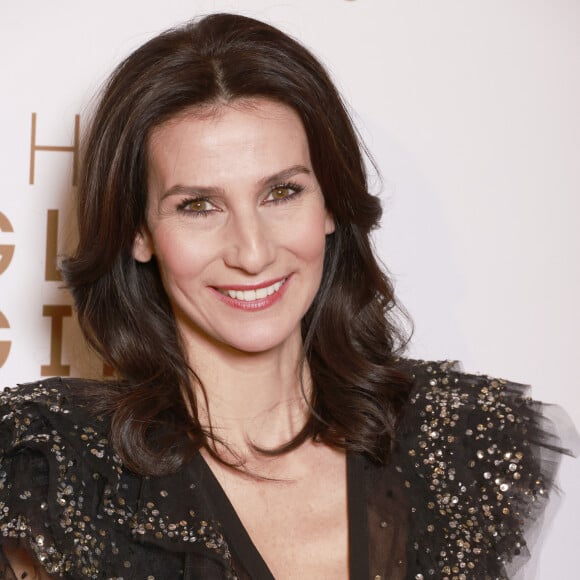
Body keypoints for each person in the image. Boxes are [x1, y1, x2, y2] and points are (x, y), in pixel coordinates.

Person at [0, 12, 571, 579]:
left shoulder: (461, 448)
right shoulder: (55, 471)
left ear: (329, 204)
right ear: (139, 232)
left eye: (281, 192)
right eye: (198, 205)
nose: (252, 252)